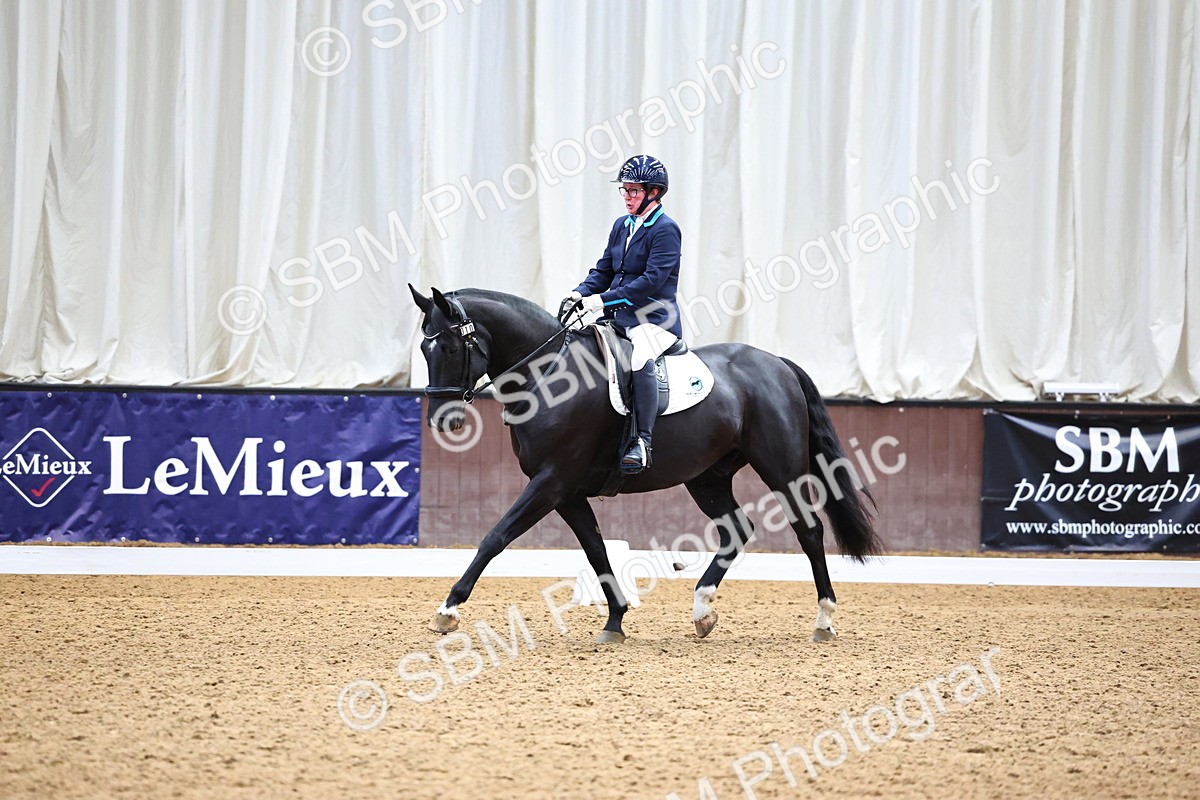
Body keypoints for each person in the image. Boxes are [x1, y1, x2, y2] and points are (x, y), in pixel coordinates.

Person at [562, 154, 682, 474]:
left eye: (633, 190)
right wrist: (580, 292)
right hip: (619, 316)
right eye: (625, 190)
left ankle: (642, 441)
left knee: (639, 358)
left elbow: (651, 281)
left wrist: (602, 301)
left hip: (654, 319)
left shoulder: (666, 230)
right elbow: (604, 270)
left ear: (653, 193)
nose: (627, 196)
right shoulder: (622, 225)